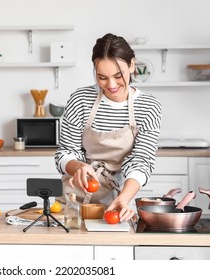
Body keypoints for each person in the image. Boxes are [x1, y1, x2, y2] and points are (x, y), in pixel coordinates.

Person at [55, 33, 162, 221]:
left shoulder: (148, 106)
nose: (111, 85)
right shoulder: (80, 100)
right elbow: (65, 152)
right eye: (102, 77)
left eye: (118, 75)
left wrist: (124, 198)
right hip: (73, 198)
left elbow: (141, 161)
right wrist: (78, 166)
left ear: (132, 65)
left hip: (118, 199)